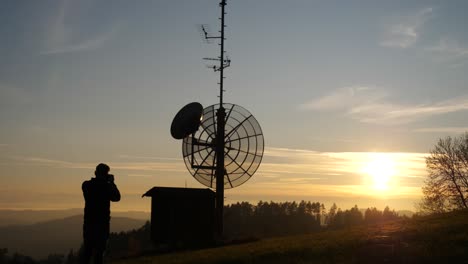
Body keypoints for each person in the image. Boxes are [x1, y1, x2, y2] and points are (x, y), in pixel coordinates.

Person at [81, 163, 120, 264]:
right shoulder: (107, 187)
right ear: (106, 174)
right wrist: (112, 183)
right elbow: (117, 197)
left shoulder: (86, 185)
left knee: (87, 252)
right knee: (99, 254)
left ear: (95, 172)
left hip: (89, 223)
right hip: (102, 224)